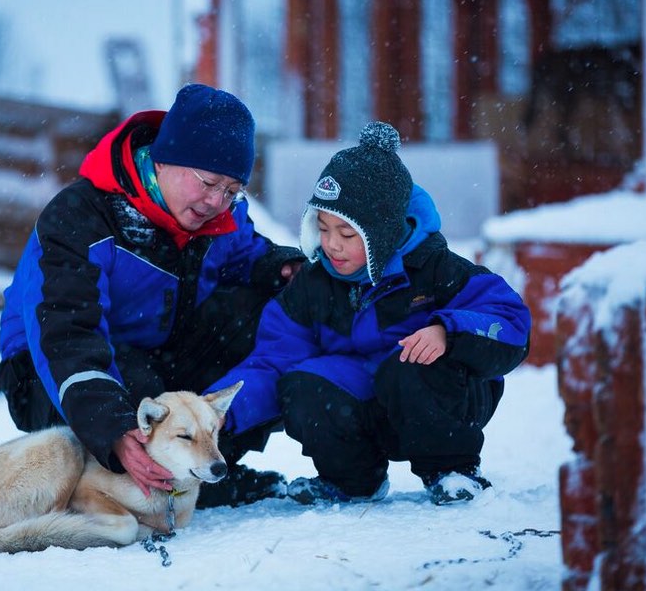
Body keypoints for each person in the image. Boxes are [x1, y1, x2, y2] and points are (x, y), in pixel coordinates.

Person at [0, 83, 305, 508]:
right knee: (138, 386)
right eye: (209, 182)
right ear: (164, 160)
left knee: (274, 315)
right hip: (47, 368)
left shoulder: (216, 216)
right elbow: (65, 330)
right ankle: (124, 480)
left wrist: (284, 268)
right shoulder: (80, 218)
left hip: (154, 356)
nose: (218, 201)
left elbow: (246, 255)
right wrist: (113, 427)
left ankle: (203, 472)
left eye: (232, 190)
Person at [204, 121, 531, 506]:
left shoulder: (437, 269)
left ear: (382, 232)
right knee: (300, 383)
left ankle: (452, 471)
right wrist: (213, 410)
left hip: (440, 401)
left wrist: (449, 332)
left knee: (406, 366)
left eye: (347, 234)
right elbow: (273, 361)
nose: (331, 245)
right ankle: (352, 480)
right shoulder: (313, 284)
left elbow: (510, 321)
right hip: (368, 406)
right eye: (322, 228)